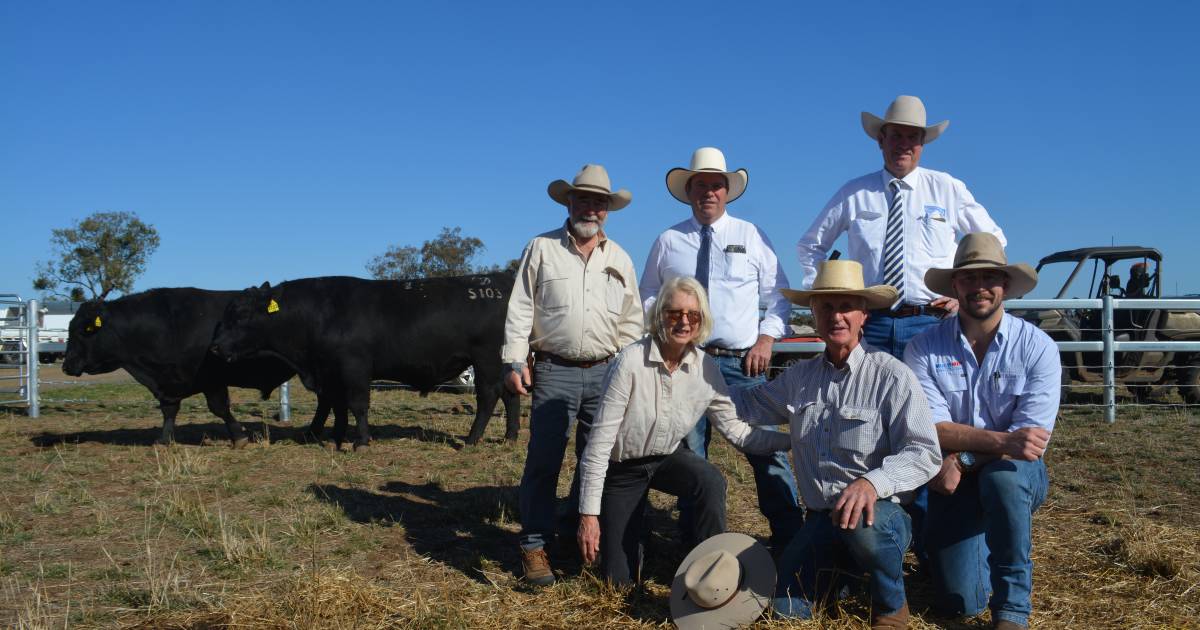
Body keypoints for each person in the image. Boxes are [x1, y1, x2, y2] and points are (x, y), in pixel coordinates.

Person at [733, 259, 941, 628]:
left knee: (866, 530)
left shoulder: (892, 376)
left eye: (846, 306)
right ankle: (843, 574)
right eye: (826, 306)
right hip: (821, 517)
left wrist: (871, 483)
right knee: (787, 612)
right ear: (814, 314)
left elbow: (924, 452)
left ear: (864, 314)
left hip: (880, 516)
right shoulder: (799, 377)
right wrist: (694, 381)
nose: (836, 316)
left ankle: (890, 603)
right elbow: (749, 405)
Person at [576, 276, 790, 585]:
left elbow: (737, 431)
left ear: (702, 320)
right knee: (619, 581)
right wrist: (588, 516)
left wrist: (791, 441)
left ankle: (709, 569)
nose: (683, 321)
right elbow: (598, 445)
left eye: (693, 315)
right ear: (659, 314)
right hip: (621, 467)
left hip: (666, 458)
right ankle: (619, 534)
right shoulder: (629, 362)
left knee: (709, 479)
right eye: (674, 313)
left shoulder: (706, 368)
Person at [640, 146, 803, 551]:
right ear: (688, 191)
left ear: (727, 191)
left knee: (765, 451)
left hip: (741, 364)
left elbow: (779, 296)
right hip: (687, 363)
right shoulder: (668, 241)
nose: (708, 192)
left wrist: (767, 337)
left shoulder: (751, 236)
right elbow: (646, 294)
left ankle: (792, 539)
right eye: (700, 185)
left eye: (716, 185)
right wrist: (661, 333)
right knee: (692, 454)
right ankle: (698, 543)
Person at [904, 233, 1059, 630]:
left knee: (1004, 483)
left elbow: (1030, 445)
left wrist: (967, 456)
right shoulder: (923, 348)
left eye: (989, 277)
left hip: (998, 472)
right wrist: (1003, 441)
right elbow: (934, 429)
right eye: (969, 278)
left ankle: (1012, 610)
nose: (979, 287)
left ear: (1005, 285)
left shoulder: (1037, 346)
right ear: (955, 285)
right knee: (959, 602)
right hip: (951, 477)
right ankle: (980, 539)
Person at [502, 163, 644, 585]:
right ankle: (535, 546)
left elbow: (632, 321)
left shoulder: (619, 257)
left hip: (606, 373)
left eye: (599, 203)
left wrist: (627, 367)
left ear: (608, 209)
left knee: (596, 462)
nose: (592, 209)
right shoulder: (541, 248)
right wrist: (513, 360)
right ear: (569, 201)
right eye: (584, 199)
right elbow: (520, 308)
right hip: (554, 370)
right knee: (543, 461)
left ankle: (581, 536)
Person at [796, 95, 1006, 359]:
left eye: (912, 137)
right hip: (870, 324)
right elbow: (810, 245)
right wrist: (825, 296)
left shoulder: (947, 188)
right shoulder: (854, 193)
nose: (904, 145)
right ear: (881, 140)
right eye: (896, 135)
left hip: (933, 320)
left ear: (922, 144)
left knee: (929, 400)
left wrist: (961, 296)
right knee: (867, 398)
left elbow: (993, 242)